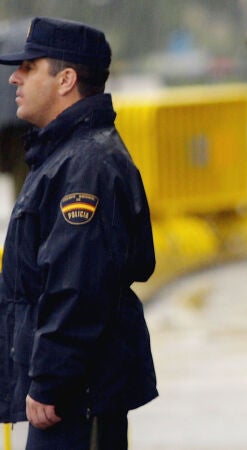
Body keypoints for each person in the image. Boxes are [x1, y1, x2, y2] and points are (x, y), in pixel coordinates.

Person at [0, 17, 157, 449]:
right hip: (69, 393)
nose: (14, 78)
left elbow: (77, 284)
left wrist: (50, 379)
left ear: (66, 80)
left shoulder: (88, 164)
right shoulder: (64, 155)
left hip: (75, 397)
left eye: (29, 67)